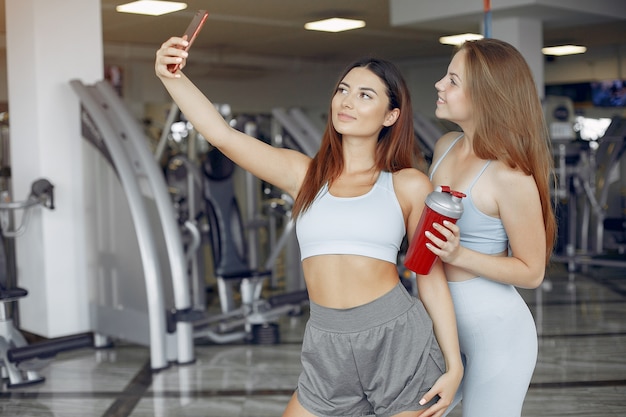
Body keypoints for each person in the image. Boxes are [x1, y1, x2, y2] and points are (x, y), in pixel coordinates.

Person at [156, 35, 462, 417]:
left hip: (395, 337)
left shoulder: (408, 184)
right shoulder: (305, 174)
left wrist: (454, 363)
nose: (347, 101)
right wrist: (171, 77)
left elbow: (430, 275)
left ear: (391, 115)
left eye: (366, 95)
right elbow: (222, 136)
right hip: (325, 339)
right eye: (343, 90)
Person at [426, 38, 557, 417]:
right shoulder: (445, 146)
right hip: (440, 323)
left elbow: (531, 272)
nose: (439, 85)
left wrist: (458, 253)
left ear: (485, 96)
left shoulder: (509, 176)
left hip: (496, 334)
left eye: (453, 80)